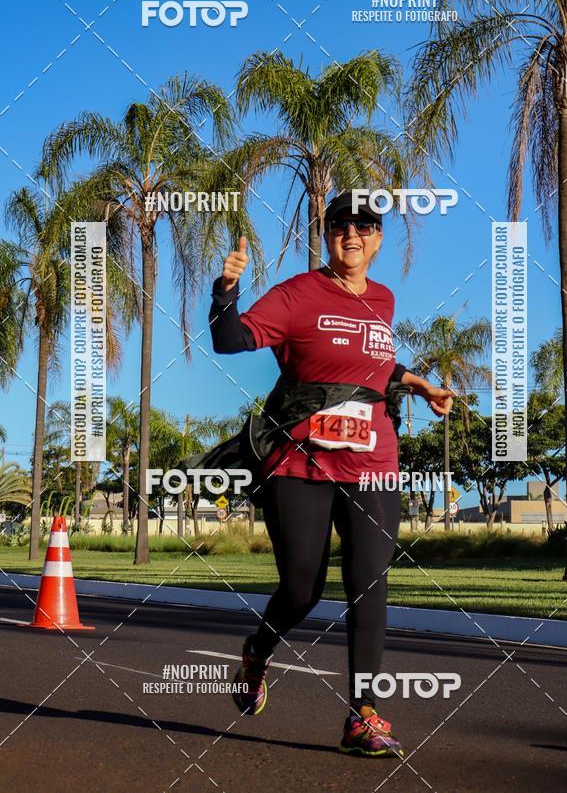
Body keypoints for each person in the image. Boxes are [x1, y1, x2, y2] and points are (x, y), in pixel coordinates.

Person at [208, 191, 453, 757]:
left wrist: (419, 384)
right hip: (300, 462)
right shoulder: (297, 294)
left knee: (369, 581)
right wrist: (225, 290)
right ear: (327, 235)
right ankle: (257, 651)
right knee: (302, 587)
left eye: (365, 226)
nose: (352, 234)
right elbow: (230, 339)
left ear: (379, 239)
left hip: (373, 463)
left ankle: (363, 714)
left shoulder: (383, 299)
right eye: (341, 225)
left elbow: (372, 364)